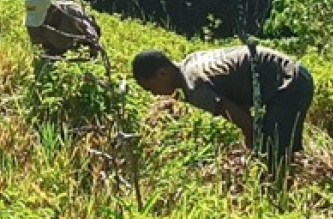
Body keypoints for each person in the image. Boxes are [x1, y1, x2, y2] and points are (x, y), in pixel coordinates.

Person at [131, 45, 314, 181]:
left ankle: (282, 199)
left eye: (151, 88)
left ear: (163, 73)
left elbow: (240, 118)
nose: (155, 95)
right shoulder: (190, 62)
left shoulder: (195, 88)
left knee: (274, 154)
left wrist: (256, 147)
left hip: (289, 83)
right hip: (291, 72)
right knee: (275, 147)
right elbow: (236, 93)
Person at [24, 0, 102, 58]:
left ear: (51, 8)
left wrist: (92, 46)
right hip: (54, 55)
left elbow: (92, 34)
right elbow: (38, 49)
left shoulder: (72, 12)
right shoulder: (33, 24)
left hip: (78, 52)